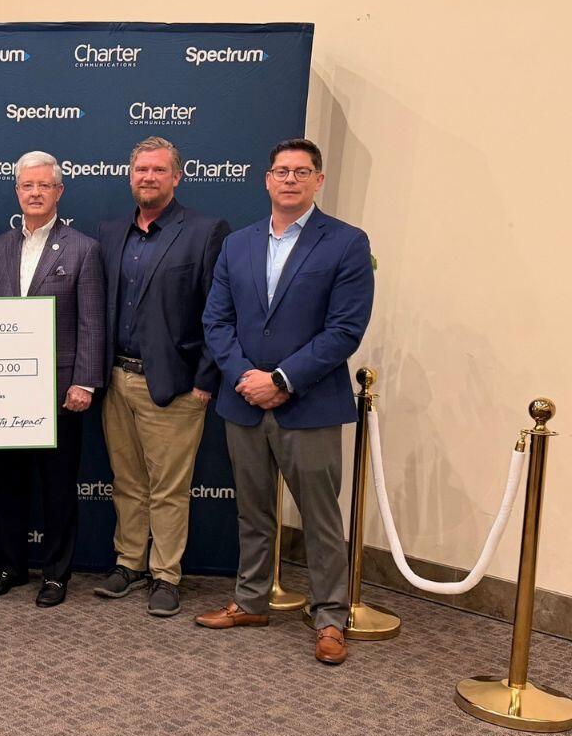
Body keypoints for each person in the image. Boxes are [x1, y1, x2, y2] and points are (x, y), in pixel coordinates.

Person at [195, 138, 374, 665]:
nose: (290, 179)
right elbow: (216, 321)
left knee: (320, 519)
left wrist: (282, 379)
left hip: (309, 405)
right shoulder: (239, 244)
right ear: (267, 180)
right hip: (243, 401)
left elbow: (345, 330)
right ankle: (251, 600)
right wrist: (245, 377)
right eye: (281, 171)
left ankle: (329, 618)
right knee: (252, 513)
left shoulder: (346, 242)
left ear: (319, 180)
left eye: (301, 171)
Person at [93, 137, 230, 617]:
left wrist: (205, 382)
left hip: (174, 385)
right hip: (117, 378)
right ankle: (129, 562)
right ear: (130, 176)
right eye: (140, 170)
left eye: (157, 170)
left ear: (176, 176)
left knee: (169, 488)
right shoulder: (111, 233)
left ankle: (166, 574)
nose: (147, 177)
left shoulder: (205, 232)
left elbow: (220, 310)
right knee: (127, 480)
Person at [0, 151, 105, 608]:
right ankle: (10, 566)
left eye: (44, 186)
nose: (35, 193)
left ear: (59, 191)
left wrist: (84, 382)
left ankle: (55, 573)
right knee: (10, 483)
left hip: (60, 391)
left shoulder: (83, 248)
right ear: (17, 191)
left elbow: (92, 321)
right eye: (27, 186)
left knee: (58, 488)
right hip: (7, 393)